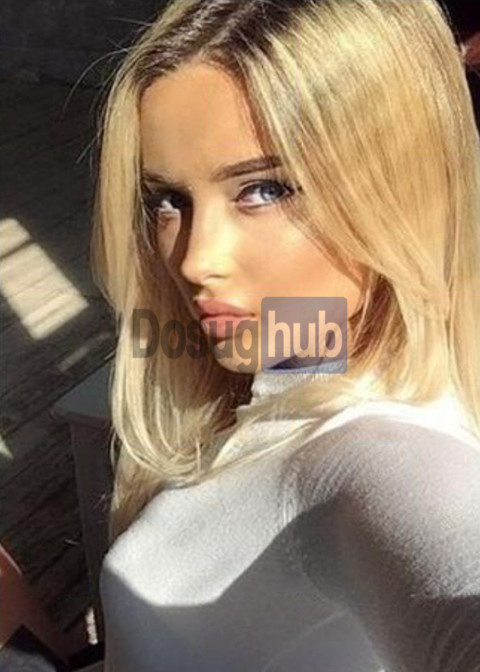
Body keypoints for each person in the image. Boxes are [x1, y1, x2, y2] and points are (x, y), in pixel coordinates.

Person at [91, 0, 480, 670]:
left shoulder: (381, 461)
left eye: (265, 190)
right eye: (168, 200)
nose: (195, 260)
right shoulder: (307, 351)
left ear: (402, 187)